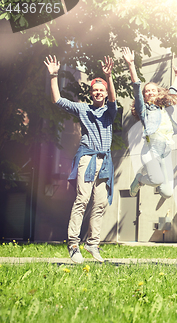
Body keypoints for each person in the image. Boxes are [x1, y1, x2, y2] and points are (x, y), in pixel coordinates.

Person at [44, 55, 117, 263]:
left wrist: (108, 77)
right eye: (95, 90)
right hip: (87, 158)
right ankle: (73, 244)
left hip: (106, 162)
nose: (98, 93)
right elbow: (57, 100)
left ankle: (92, 244)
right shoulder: (83, 109)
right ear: (91, 93)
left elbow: (113, 98)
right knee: (82, 200)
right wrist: (54, 76)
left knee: (101, 202)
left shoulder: (110, 111)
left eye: (101, 90)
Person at [122, 47, 177, 199]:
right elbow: (136, 87)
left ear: (158, 92)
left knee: (168, 193)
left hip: (165, 151)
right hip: (150, 150)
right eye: (147, 91)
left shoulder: (165, 107)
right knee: (156, 180)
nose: (150, 92)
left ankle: (145, 175)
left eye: (153, 90)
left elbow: (173, 92)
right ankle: (139, 178)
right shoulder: (144, 110)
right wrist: (131, 65)